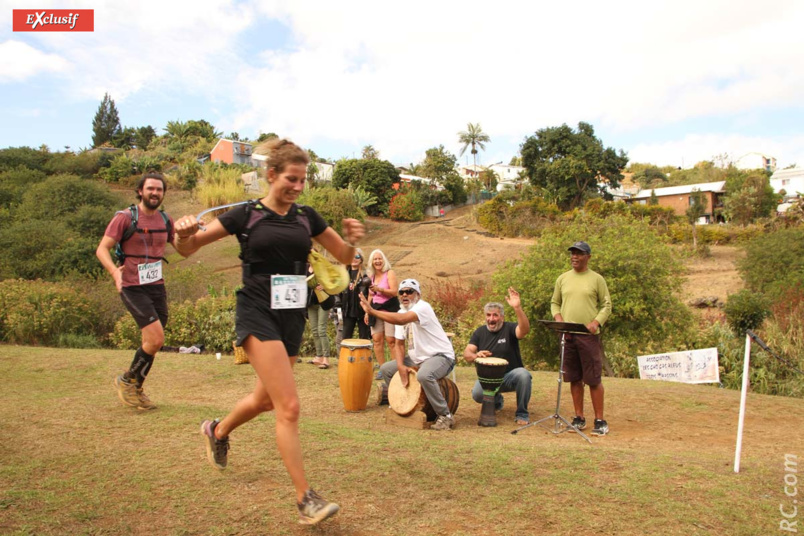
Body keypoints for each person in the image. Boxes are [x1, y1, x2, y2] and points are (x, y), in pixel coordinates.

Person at [173, 138, 364, 526]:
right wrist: (183, 232)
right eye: (292, 179)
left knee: (264, 401)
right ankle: (305, 499)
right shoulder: (245, 214)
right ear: (272, 174)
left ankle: (217, 430)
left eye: (303, 180)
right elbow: (187, 249)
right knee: (288, 407)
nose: (298, 186)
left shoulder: (307, 217)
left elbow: (344, 257)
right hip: (257, 311)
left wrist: (352, 240)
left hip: (291, 314)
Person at [96, 171, 179, 411]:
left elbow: (182, 245)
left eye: (159, 189)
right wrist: (115, 272)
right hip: (131, 285)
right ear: (140, 191)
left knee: (152, 342)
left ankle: (135, 387)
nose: (155, 193)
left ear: (163, 193)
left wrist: (195, 232)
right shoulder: (124, 218)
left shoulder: (166, 219)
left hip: (156, 285)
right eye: (150, 188)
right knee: (156, 339)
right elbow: (102, 249)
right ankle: (128, 381)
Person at [360, 279, 456, 431]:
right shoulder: (400, 312)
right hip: (417, 358)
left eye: (409, 291)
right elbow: (399, 344)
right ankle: (402, 405)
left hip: (440, 356)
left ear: (418, 294)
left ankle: (445, 415)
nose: (405, 295)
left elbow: (402, 320)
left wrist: (372, 311)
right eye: (401, 292)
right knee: (387, 369)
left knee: (424, 375)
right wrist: (400, 366)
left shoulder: (423, 307)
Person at [550, 241, 612, 436]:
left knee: (593, 379)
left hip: (588, 336)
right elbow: (555, 303)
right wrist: (558, 319)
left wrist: (596, 322)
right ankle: (579, 418)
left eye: (579, 253)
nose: (574, 257)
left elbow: (606, 305)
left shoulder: (597, 279)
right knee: (574, 378)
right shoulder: (562, 278)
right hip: (567, 335)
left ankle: (600, 421)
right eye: (572, 253)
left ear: (588, 257)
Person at [463, 288, 532, 426]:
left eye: (495, 315)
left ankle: (522, 413)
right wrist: (476, 355)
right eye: (488, 315)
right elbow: (467, 354)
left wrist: (517, 308)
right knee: (477, 394)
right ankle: (497, 400)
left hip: (510, 376)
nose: (491, 319)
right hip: (488, 379)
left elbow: (524, 330)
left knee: (524, 375)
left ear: (502, 317)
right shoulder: (479, 332)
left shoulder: (509, 328)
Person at [365, 249, 398, 368]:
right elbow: (370, 295)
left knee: (391, 340)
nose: (378, 261)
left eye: (380, 258)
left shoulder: (390, 273)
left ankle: (395, 369)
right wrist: (367, 312)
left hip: (390, 310)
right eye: (375, 259)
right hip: (375, 310)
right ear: (372, 262)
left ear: (384, 260)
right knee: (377, 340)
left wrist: (379, 289)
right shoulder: (371, 277)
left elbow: (394, 292)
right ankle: (382, 368)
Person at [306, 261, 335, 369]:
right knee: (314, 330)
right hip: (311, 303)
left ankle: (326, 359)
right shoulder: (305, 268)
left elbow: (333, 283)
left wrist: (325, 286)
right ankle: (319, 356)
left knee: (321, 330)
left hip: (323, 302)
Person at [339, 248, 371, 341]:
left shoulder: (366, 275)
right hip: (348, 311)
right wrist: (338, 309)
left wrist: (368, 311)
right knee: (345, 339)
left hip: (362, 311)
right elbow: (338, 293)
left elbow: (370, 294)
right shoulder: (344, 275)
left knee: (364, 339)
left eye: (357, 256)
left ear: (361, 259)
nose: (354, 259)